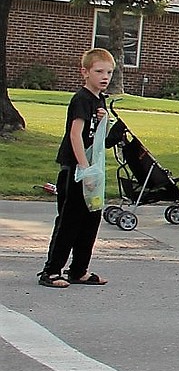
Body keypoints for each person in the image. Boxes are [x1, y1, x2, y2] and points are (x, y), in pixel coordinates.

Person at [39, 48, 116, 289]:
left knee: (91, 219)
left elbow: (97, 137)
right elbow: (75, 135)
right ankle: (51, 272)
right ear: (85, 72)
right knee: (70, 221)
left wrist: (106, 120)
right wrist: (84, 169)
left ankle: (79, 270)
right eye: (99, 71)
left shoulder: (99, 100)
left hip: (92, 168)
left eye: (110, 72)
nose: (105, 77)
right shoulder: (81, 99)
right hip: (76, 169)